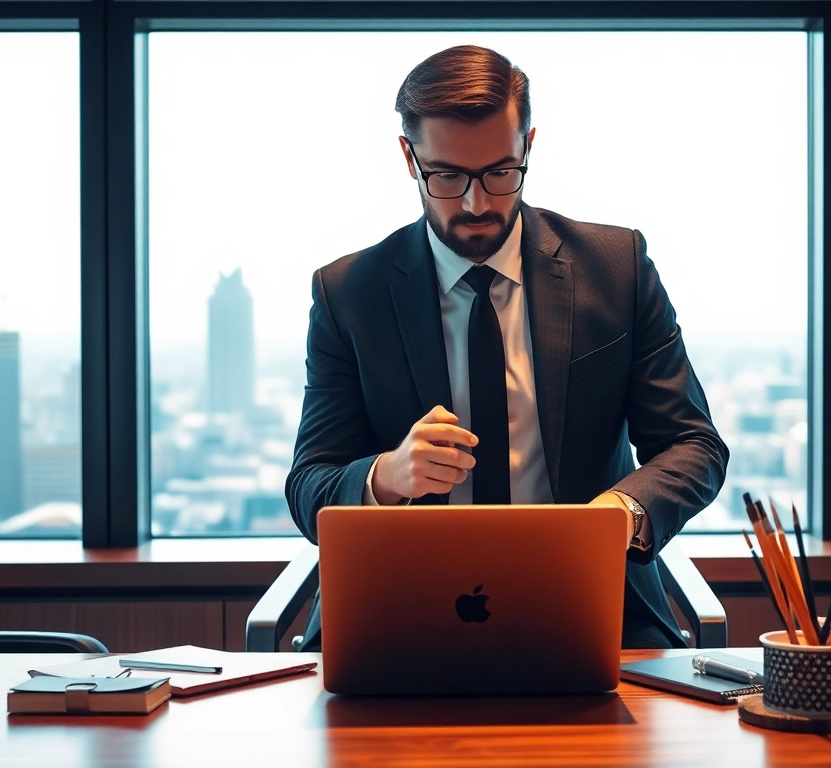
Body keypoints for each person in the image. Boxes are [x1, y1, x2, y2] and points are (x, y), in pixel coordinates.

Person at [285, 45, 729, 650]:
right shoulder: (348, 294)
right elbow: (309, 484)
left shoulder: (615, 269)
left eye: (500, 172)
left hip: (594, 608)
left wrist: (617, 516)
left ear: (529, 147)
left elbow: (694, 445)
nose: (477, 203)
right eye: (447, 176)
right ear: (408, 158)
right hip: (397, 615)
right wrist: (385, 478)